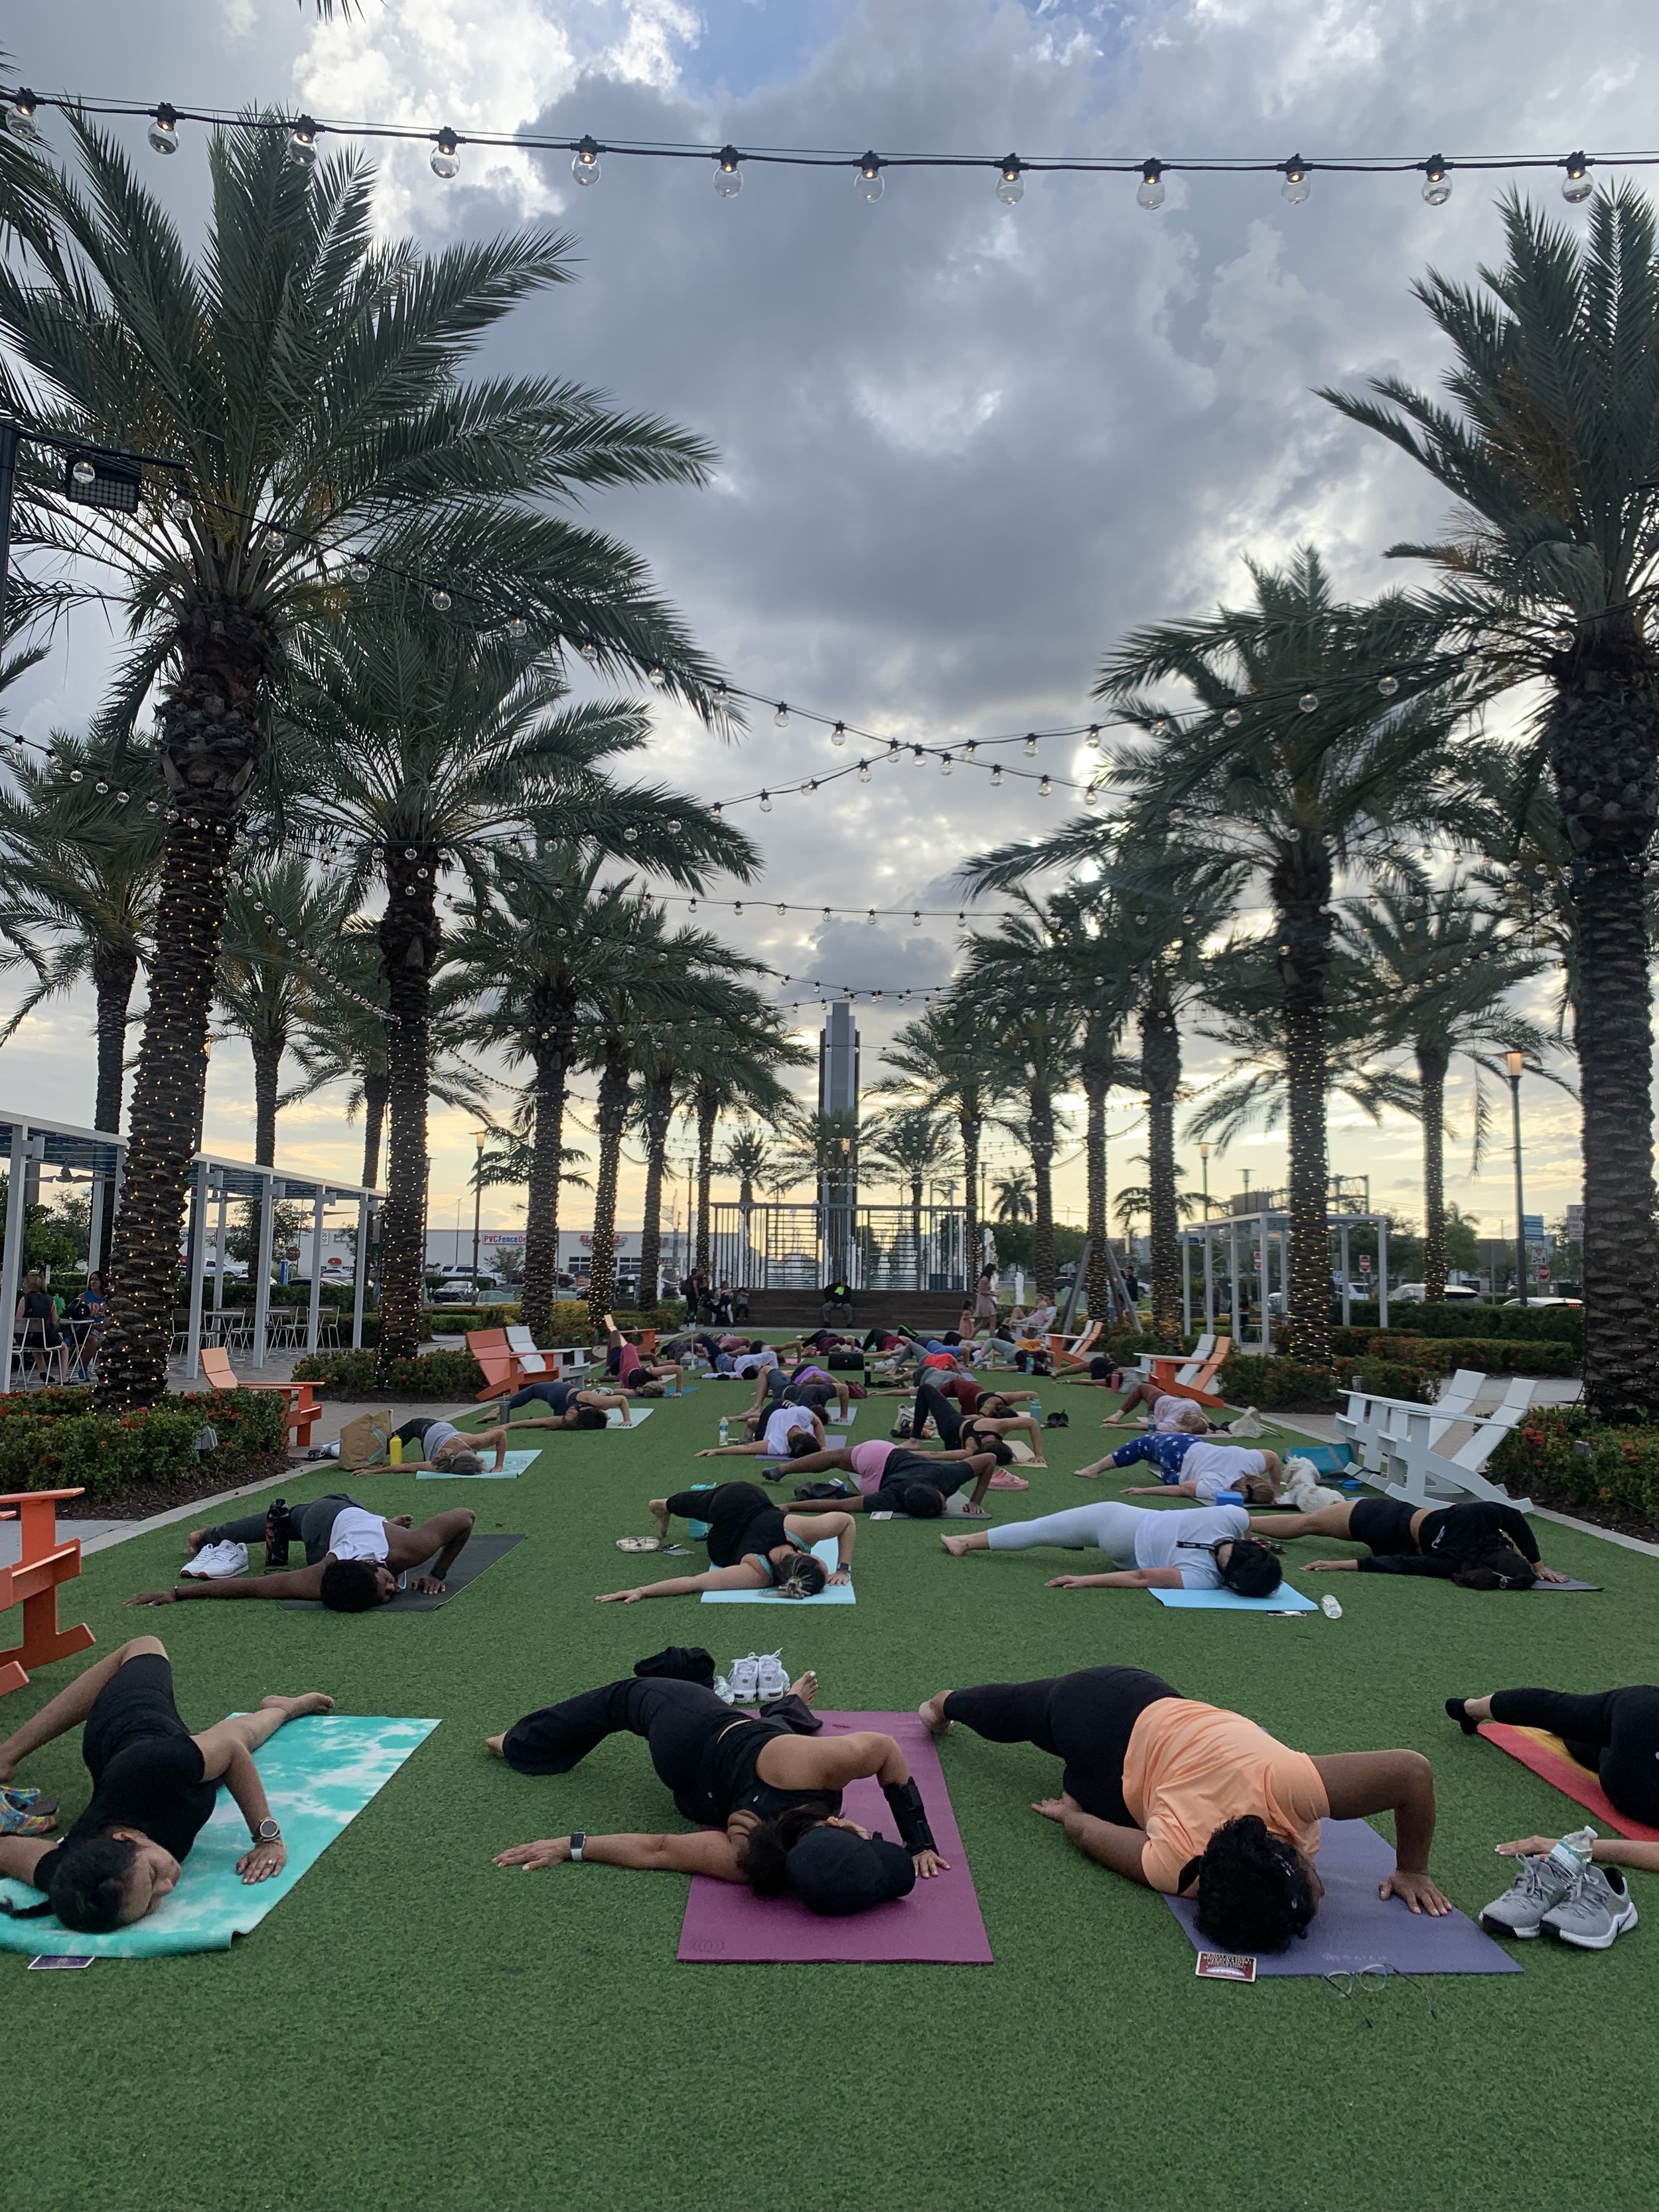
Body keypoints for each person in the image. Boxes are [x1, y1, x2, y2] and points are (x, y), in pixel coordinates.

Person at [916, 1664, 1448, 1950]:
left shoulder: (1188, 1860)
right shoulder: (1186, 1861)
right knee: (1017, 1713)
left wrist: (1074, 1812)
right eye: (1314, 1889)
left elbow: (1412, 1772)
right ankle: (943, 1703)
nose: (1325, 1889)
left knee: (1086, 1778)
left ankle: (963, 1710)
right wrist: (1411, 1868)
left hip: (1133, 1733)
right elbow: (1411, 1771)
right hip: (1101, 1705)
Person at [488, 1662, 945, 1911]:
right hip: (703, 1786)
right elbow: (660, 1848)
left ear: (838, 1823)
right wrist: (569, 1846)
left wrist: (563, 1844)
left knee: (624, 1695)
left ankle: (517, 1744)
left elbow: (658, 1849)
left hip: (694, 1733)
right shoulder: (747, 1861)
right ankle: (784, 1704)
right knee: (778, 1728)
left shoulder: (813, 1771)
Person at [0, 1637, 332, 1932]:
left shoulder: (157, 1765)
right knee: (207, 1768)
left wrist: (267, 1838)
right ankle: (280, 1707)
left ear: (126, 1839)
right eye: (150, 1904)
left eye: (153, 1876)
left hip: (133, 1728)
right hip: (151, 1775)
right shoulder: (75, 1879)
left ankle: (6, 1755)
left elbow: (233, 1751)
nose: (168, 1888)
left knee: (144, 1647)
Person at [126, 1499, 478, 1610]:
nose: (392, 1590)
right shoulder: (315, 1576)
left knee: (294, 1520)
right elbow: (249, 1588)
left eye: (383, 1591)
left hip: (348, 1511)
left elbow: (465, 1518)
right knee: (286, 1523)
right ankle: (205, 1537)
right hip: (322, 1522)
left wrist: (439, 1572)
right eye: (388, 1587)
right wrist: (176, 1594)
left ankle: (385, 1523)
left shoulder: (411, 1548)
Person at [937, 1499, 1285, 1597]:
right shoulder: (1205, 1580)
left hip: (1118, 1520)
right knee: (1043, 1533)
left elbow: (1141, 1578)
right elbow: (1138, 1575)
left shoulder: (1233, 1516)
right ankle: (964, 1543)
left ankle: (964, 1542)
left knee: (1039, 1530)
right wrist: (1085, 1580)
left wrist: (1087, 1579)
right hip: (1122, 1550)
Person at [604, 1481, 855, 1600]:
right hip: (734, 1513)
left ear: (802, 1555)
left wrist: (642, 1591)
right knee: (708, 1505)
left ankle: (664, 1505)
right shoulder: (760, 1573)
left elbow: (693, 1583)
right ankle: (664, 1506)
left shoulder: (792, 1537)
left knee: (705, 1504)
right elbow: (846, 1522)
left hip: (735, 1509)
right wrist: (842, 1570)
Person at [1251, 1497, 1568, 1587]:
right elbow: (1399, 1563)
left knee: (1306, 1523)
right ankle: (1239, 1521)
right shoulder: (1456, 1565)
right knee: (1309, 1525)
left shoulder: (1475, 1521)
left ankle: (1239, 1520)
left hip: (1384, 1517)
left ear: (1504, 1548)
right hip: (1391, 1535)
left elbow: (1513, 1518)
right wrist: (1537, 1564)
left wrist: (1536, 1563)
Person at [780, 1436, 1002, 1518]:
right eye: (945, 1504)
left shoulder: (946, 1476)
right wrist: (974, 1501)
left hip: (879, 1453)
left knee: (836, 1457)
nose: (946, 1507)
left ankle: (783, 1469)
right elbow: (841, 1506)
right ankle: (783, 1471)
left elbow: (989, 1458)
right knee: (841, 1474)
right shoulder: (892, 1498)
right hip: (875, 1483)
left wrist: (791, 1506)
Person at [1076, 1426, 1283, 1507]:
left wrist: (1276, 1487)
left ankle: (1094, 1469)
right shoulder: (1217, 1487)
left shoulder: (1251, 1461)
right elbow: (1183, 1490)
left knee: (1141, 1445)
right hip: (1176, 1459)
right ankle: (1093, 1470)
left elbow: (1273, 1458)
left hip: (1187, 1442)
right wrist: (1143, 1491)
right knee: (1148, 1451)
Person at [696, 1401, 827, 1461]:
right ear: (808, 1433)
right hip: (774, 1410)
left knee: (756, 1429)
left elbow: (817, 1422)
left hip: (780, 1413)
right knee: (757, 1431)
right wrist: (716, 1451)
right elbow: (748, 1448)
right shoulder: (779, 1445)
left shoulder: (778, 1445)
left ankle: (752, 1422)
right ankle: (751, 1422)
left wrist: (823, 1446)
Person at [386, 1414, 506, 1474]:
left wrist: (373, 1472)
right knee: (388, 1446)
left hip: (433, 1440)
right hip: (429, 1427)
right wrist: (499, 1465)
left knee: (422, 1463)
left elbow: (408, 1466)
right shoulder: (474, 1441)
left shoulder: (438, 1466)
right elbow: (501, 1434)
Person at [500, 1378, 635, 1430]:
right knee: (535, 1389)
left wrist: (509, 1425)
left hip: (560, 1405)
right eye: (571, 1414)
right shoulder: (595, 1400)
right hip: (561, 1392)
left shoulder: (567, 1420)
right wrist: (627, 1420)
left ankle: (499, 1410)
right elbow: (622, 1399)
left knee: (552, 1421)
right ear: (582, 1412)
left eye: (568, 1416)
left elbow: (540, 1421)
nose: (569, 1413)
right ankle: (496, 1410)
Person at [13, 1269, 64, 1382]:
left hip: (27, 1340)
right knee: (64, 1348)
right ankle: (63, 1377)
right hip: (45, 1339)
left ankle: (43, 1371)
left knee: (35, 1340)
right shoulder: (51, 1300)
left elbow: (19, 1321)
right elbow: (55, 1322)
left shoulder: (24, 1299)